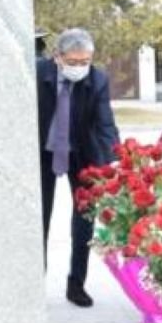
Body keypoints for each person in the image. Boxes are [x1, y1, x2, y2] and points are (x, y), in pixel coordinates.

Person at [36, 28, 119, 307]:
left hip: (81, 151)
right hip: (42, 152)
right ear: (57, 57)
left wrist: (111, 161)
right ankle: (36, 287)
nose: (80, 68)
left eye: (85, 61)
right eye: (73, 62)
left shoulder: (97, 79)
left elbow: (105, 121)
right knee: (39, 218)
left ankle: (76, 284)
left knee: (84, 219)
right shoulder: (37, 73)